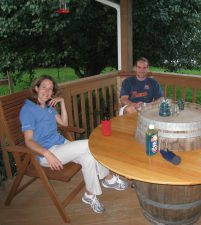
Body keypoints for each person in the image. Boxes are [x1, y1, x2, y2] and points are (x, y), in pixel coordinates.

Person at [19, 75, 128, 214]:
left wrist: (62, 103)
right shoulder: (27, 110)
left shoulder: (48, 106)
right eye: (44, 87)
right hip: (47, 153)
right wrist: (47, 154)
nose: (47, 91)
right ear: (36, 88)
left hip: (62, 145)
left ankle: (89, 195)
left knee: (89, 157)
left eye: (50, 88)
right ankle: (109, 178)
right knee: (91, 144)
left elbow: (64, 124)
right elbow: (28, 141)